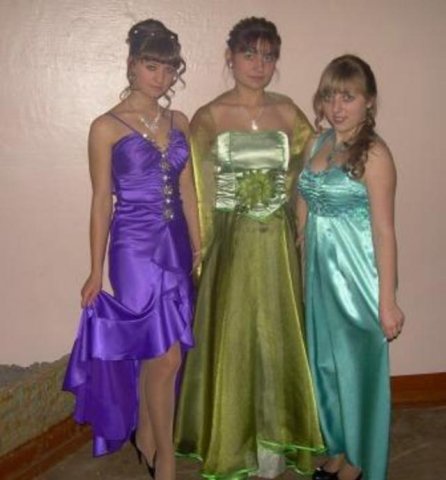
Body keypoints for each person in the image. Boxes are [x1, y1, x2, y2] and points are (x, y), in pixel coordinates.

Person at [174, 17, 324, 479]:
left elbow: (310, 172)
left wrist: (302, 223)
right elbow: (193, 188)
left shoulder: (289, 112)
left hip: (277, 244)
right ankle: (233, 442)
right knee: (235, 339)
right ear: (230, 57)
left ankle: (274, 446)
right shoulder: (210, 116)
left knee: (277, 339)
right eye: (249, 54)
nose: (259, 65)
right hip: (232, 246)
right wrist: (200, 246)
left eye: (268, 56)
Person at [63, 19, 200, 480]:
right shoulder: (105, 126)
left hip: (176, 245)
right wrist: (94, 270)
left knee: (163, 351)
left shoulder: (180, 121)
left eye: (168, 68)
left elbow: (187, 190)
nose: (161, 77)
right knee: (165, 354)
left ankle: (147, 434)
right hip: (134, 248)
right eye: (151, 66)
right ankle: (166, 458)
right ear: (132, 65)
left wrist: (198, 244)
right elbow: (101, 200)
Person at [297, 54, 405, 480]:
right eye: (330, 96)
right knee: (326, 367)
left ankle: (359, 462)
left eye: (348, 97)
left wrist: (387, 301)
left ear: (369, 101)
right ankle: (339, 447)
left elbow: (384, 231)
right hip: (319, 277)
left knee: (357, 373)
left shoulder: (375, 154)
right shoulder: (318, 143)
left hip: (356, 280)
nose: (336, 107)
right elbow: (304, 202)